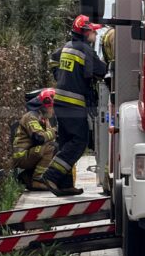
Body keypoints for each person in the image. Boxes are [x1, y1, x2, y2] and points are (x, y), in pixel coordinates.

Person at [43, 14, 107, 196]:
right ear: (85, 32)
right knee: (80, 141)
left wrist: (59, 75)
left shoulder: (67, 46)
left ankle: (64, 185)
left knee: (65, 142)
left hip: (61, 102)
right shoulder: (85, 50)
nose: (94, 34)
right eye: (92, 31)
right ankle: (52, 175)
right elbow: (101, 70)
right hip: (74, 103)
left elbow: (53, 59)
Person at [12, 89, 57, 191]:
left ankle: (27, 177)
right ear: (46, 105)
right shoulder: (31, 116)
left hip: (30, 153)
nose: (54, 110)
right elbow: (39, 138)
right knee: (50, 148)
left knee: (55, 147)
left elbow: (48, 137)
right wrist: (56, 131)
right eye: (53, 107)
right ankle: (37, 180)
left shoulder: (44, 119)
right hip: (21, 156)